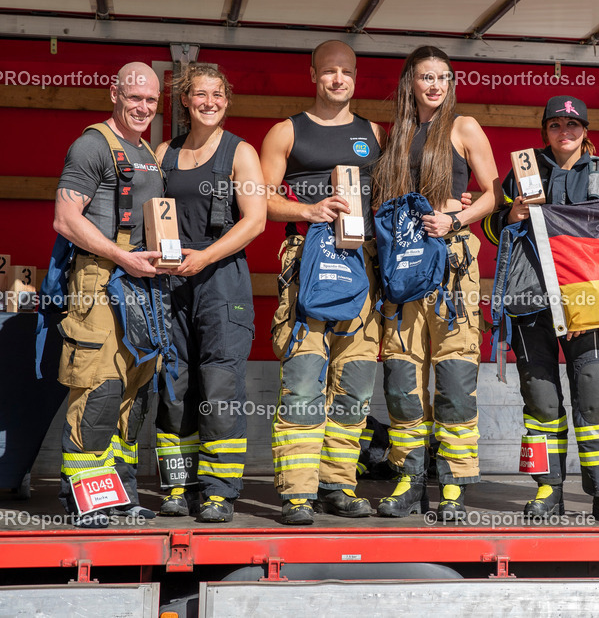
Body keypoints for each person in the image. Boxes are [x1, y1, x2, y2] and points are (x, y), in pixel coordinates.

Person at [483, 96, 599, 524]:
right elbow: (492, 228)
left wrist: (585, 308)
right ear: (544, 131)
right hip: (530, 304)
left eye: (572, 125)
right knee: (541, 401)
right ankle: (548, 489)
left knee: (595, 399)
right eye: (555, 125)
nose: (564, 132)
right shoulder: (523, 170)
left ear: (585, 131)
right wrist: (510, 216)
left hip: (586, 306)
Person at [260, 40, 386, 525]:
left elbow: (392, 196)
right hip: (307, 262)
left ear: (356, 76)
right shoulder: (286, 131)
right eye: (329, 71)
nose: (338, 79)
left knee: (355, 381)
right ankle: (297, 493)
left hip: (362, 266)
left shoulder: (374, 132)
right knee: (303, 379)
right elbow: (259, 199)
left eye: (346, 72)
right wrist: (309, 210)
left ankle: (338, 485)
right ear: (313, 75)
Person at [372, 45, 500, 521]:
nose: (435, 85)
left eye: (443, 77)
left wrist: (456, 218)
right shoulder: (396, 136)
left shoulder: (463, 127)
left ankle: (453, 485)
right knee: (403, 378)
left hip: (452, 267)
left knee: (454, 377)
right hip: (403, 268)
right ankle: (409, 479)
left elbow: (495, 193)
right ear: (410, 82)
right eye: (427, 77)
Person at [53, 62, 166, 528]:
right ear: (114, 95)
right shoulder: (92, 145)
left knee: (132, 394)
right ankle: (86, 502)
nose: (143, 107)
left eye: (151, 100)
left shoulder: (147, 151)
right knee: (99, 387)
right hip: (100, 279)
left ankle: (121, 496)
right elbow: (65, 219)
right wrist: (122, 258)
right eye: (134, 97)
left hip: (141, 283)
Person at [153, 64, 266, 523]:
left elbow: (255, 220)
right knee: (174, 384)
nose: (210, 102)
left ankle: (218, 491)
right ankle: (177, 486)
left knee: (219, 386)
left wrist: (205, 257)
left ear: (227, 99)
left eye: (217, 94)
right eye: (200, 94)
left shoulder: (242, 152)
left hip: (221, 280)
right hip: (172, 281)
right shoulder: (165, 152)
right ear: (185, 100)